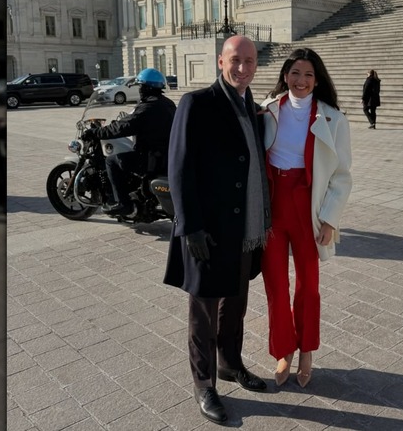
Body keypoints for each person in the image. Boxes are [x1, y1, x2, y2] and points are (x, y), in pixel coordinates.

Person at [163, 35, 270, 425]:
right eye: (235, 60)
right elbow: (179, 168)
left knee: (235, 305)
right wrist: (190, 226)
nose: (243, 68)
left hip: (243, 229)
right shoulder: (197, 103)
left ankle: (230, 363)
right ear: (221, 63)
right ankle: (204, 383)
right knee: (203, 311)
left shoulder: (252, 108)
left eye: (250, 61)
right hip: (206, 230)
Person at [259, 48, 352, 388]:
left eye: (309, 75)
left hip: (307, 203)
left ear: (317, 80)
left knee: (308, 286)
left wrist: (329, 219)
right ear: (285, 75)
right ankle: (283, 348)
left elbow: (342, 175)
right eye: (295, 73)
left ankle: (307, 349)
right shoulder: (267, 110)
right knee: (275, 285)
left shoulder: (333, 118)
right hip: (273, 204)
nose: (301, 81)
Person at [83, 67, 176, 216]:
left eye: (140, 86)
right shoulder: (168, 104)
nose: (139, 90)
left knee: (112, 161)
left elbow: (123, 127)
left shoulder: (147, 107)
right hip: (167, 156)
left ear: (145, 87)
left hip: (150, 159)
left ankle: (123, 204)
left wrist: (96, 132)